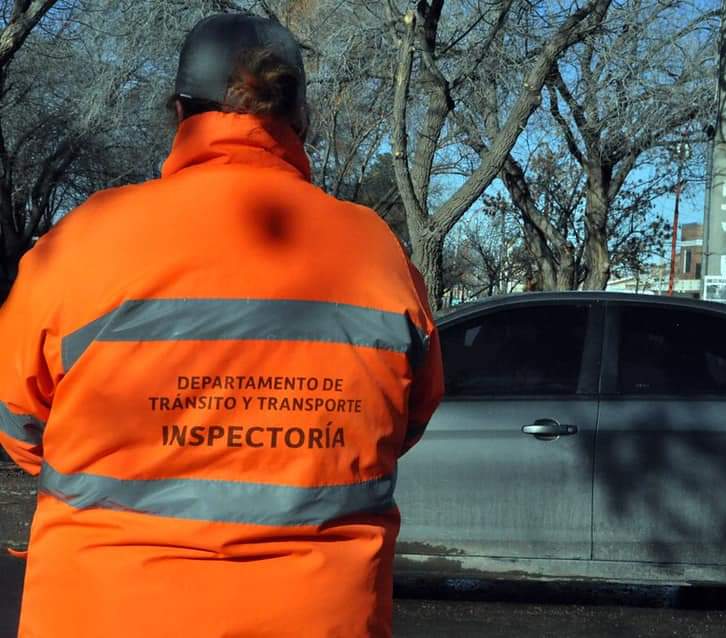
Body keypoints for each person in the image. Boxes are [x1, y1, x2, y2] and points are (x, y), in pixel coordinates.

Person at [0, 13, 443, 638]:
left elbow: (18, 421)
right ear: (301, 117)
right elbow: (406, 419)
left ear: (178, 111)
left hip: (104, 610)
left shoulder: (86, 240)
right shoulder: (375, 250)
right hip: (319, 616)